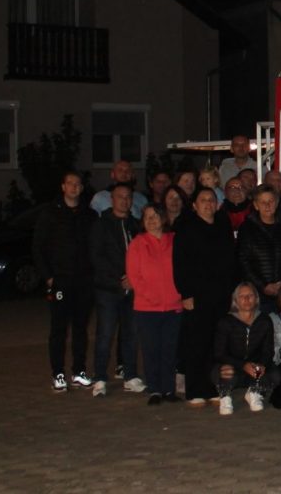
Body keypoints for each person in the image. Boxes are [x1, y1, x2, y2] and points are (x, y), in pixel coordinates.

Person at [173, 187, 238, 406]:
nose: (208, 204)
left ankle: (212, 387)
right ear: (194, 205)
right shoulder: (187, 229)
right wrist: (186, 293)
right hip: (197, 295)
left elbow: (231, 260)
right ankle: (195, 390)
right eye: (203, 200)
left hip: (220, 294)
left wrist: (231, 291)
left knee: (216, 344)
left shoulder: (222, 226)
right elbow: (180, 264)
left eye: (212, 200)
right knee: (196, 343)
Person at [34, 170, 98, 391]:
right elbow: (38, 247)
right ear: (63, 186)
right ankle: (58, 373)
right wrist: (49, 277)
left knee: (81, 327)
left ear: (81, 188)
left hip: (83, 281)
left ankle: (79, 371)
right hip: (60, 280)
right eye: (70, 183)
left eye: (77, 184)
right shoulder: (50, 213)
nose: (74, 187)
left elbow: (94, 247)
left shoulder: (88, 215)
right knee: (59, 329)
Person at [88, 183, 145, 397]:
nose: (124, 200)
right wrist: (118, 280)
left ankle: (130, 375)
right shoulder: (101, 225)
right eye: (120, 197)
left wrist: (134, 279)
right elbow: (97, 257)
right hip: (108, 290)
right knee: (105, 334)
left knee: (131, 334)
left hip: (133, 289)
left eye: (128, 197)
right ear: (112, 199)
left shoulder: (135, 225)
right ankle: (100, 377)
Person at [124, 204, 181, 405]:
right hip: (147, 308)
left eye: (155, 215)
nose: (151, 220)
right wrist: (150, 296)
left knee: (169, 350)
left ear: (163, 218)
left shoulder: (174, 240)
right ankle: (155, 390)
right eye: (147, 216)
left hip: (173, 306)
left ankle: (169, 389)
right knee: (151, 350)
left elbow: (182, 269)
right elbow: (134, 275)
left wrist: (177, 294)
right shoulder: (138, 244)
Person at [237, 185, 281, 314]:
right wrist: (263, 286)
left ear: (277, 202)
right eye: (263, 202)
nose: (267, 206)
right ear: (256, 205)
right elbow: (243, 261)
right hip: (258, 293)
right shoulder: (247, 228)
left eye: (271, 201)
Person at [213, 282, 277, 414]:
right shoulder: (226, 322)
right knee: (225, 371)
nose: (247, 299)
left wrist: (262, 365)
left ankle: (254, 392)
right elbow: (219, 353)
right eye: (242, 296)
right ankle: (225, 395)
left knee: (275, 374)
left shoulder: (264, 320)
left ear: (256, 299)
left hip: (254, 366)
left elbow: (268, 350)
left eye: (250, 296)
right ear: (235, 300)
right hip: (233, 364)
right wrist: (243, 365)